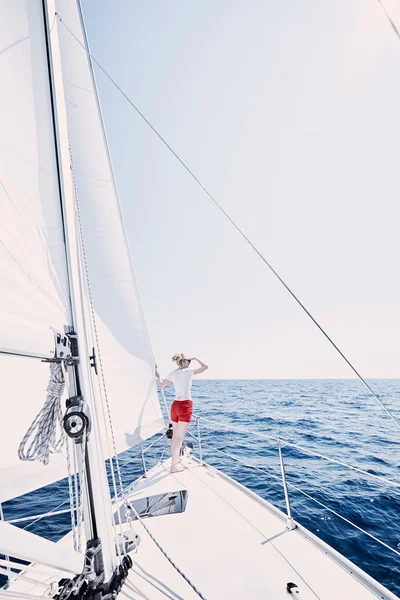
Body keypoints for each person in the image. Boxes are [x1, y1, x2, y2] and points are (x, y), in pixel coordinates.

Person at [156, 353, 208, 473]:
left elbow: (162, 385)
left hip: (175, 406)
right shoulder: (188, 372)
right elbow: (206, 367)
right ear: (184, 362)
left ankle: (175, 460)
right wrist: (196, 358)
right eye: (188, 361)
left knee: (175, 436)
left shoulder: (172, 373)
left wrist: (159, 377)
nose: (189, 363)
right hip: (185, 405)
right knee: (179, 438)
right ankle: (174, 466)